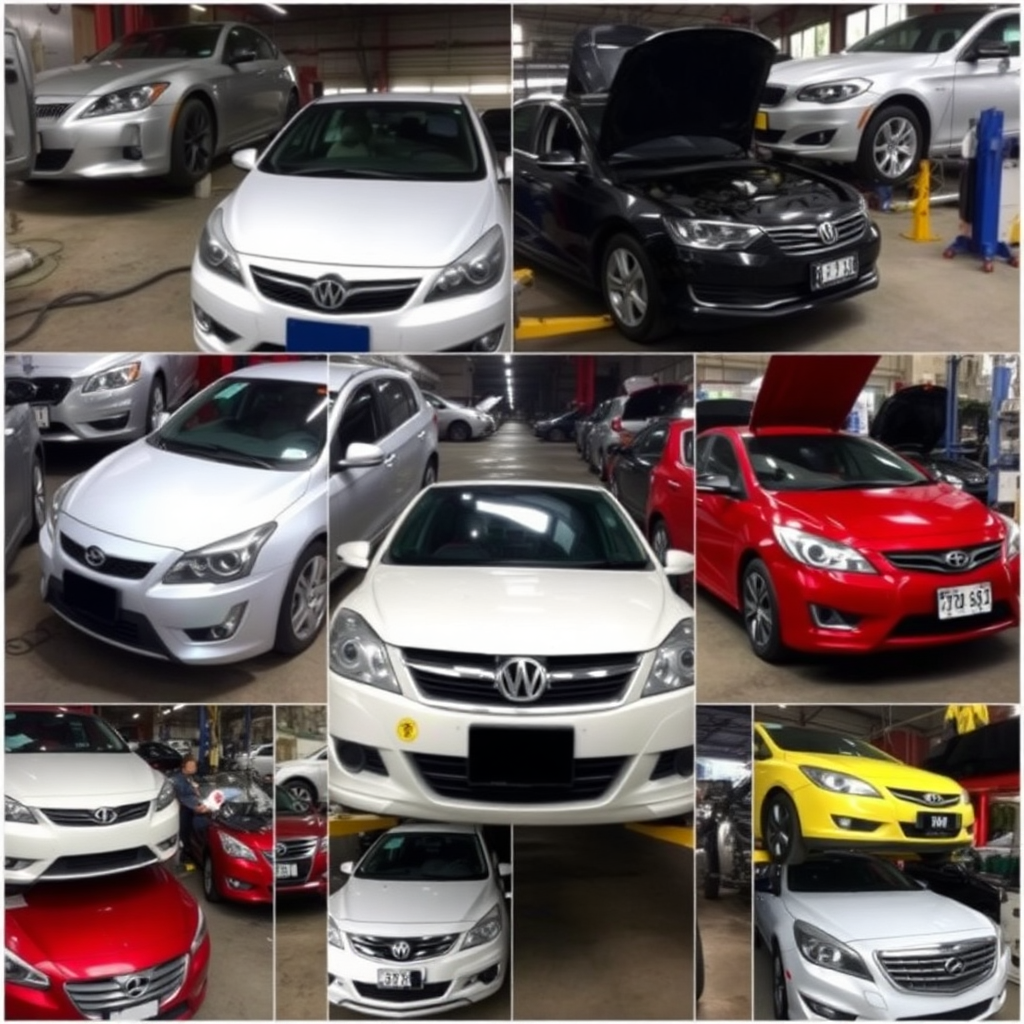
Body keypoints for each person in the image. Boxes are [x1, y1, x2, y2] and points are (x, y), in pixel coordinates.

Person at [169, 755, 209, 864]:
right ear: (184, 766)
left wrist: (197, 792)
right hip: (184, 812)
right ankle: (186, 854)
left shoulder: (190, 778)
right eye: (191, 765)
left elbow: (193, 794)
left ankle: (190, 851)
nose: (194, 767)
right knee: (189, 831)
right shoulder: (177, 780)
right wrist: (196, 807)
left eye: (194, 765)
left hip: (191, 809)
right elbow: (184, 798)